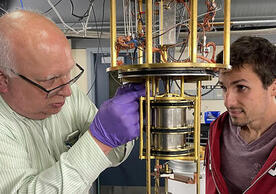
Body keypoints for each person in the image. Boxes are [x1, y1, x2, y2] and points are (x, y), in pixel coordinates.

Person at [0, 10, 144, 193]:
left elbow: (113, 154)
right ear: (3, 80)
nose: (67, 92)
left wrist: (125, 124)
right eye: (50, 80)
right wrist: (98, 142)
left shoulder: (70, 95)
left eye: (68, 73)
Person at [205, 36, 276, 194]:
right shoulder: (217, 130)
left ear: (273, 87)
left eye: (241, 87)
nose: (228, 102)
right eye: (224, 87)